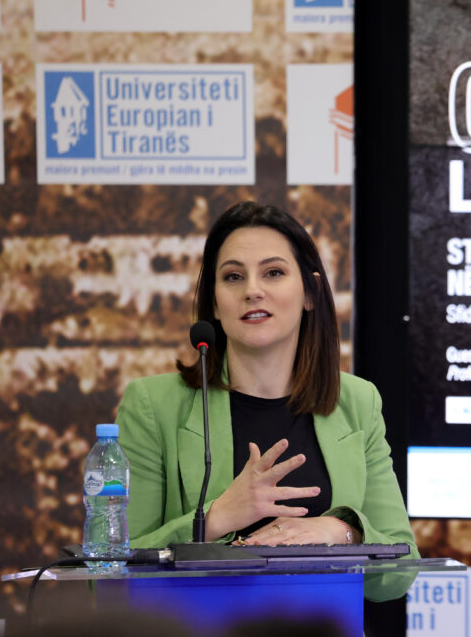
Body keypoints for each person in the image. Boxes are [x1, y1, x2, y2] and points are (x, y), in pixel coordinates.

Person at [116, 201, 418, 608]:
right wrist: (215, 519)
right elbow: (109, 581)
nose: (252, 290)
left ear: (310, 293)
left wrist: (341, 532)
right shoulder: (154, 405)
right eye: (233, 276)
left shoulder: (358, 403)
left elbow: (400, 574)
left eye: (273, 272)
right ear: (214, 303)